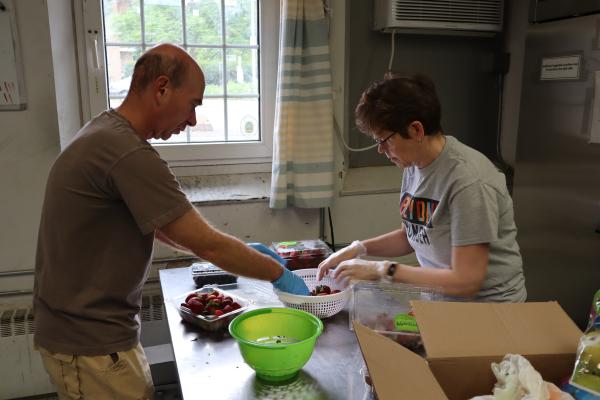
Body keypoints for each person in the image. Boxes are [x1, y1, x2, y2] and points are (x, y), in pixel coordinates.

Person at [33, 43, 308, 400]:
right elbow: (205, 242)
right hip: (90, 344)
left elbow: (164, 225)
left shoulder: (105, 133)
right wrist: (276, 274)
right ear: (162, 88)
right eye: (193, 103)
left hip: (90, 336)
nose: (193, 120)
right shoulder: (126, 152)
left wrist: (238, 254)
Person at [317, 74, 526, 303]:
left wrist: (383, 270)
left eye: (383, 140)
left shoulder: (468, 181)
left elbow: (467, 281)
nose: (381, 150)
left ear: (416, 130)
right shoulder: (414, 164)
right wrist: (358, 248)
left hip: (488, 311)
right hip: (441, 302)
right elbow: (414, 234)